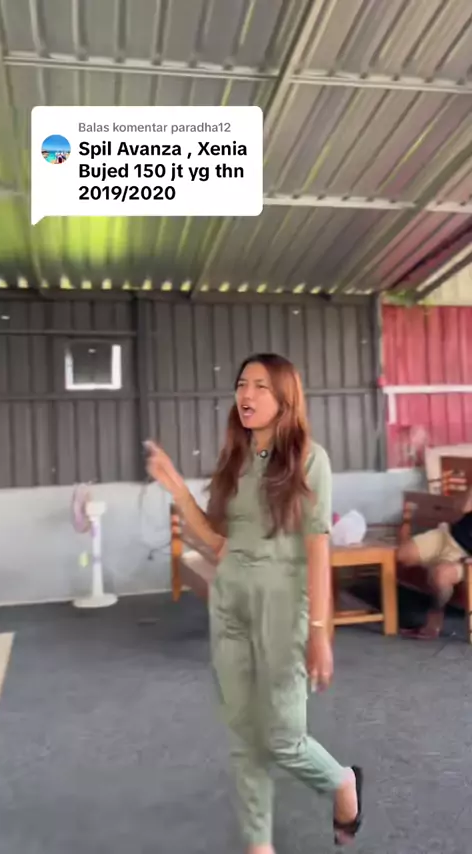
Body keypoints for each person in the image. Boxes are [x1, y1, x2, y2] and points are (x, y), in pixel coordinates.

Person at [145, 353, 363, 854]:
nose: (246, 394)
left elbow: (318, 549)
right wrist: (175, 485)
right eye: (242, 384)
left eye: (261, 386)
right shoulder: (235, 460)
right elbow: (217, 543)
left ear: (285, 397)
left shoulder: (310, 459)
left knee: (283, 737)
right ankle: (258, 844)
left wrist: (319, 632)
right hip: (231, 605)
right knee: (244, 735)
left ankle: (342, 781)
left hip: (284, 610)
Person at [399, 486, 472, 640]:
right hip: (447, 535)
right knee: (403, 555)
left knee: (440, 575)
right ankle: (436, 569)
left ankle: (434, 621)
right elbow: (462, 508)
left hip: (466, 556)